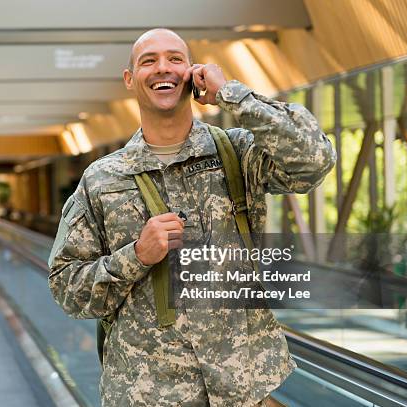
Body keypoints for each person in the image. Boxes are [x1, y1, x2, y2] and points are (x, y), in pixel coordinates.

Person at [48, 28, 336, 407]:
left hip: (243, 388)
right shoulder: (102, 179)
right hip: (149, 393)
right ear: (130, 79)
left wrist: (231, 93)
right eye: (148, 61)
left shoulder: (237, 153)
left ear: (192, 72)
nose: (162, 68)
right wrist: (135, 256)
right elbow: (65, 287)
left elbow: (314, 159)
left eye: (175, 59)